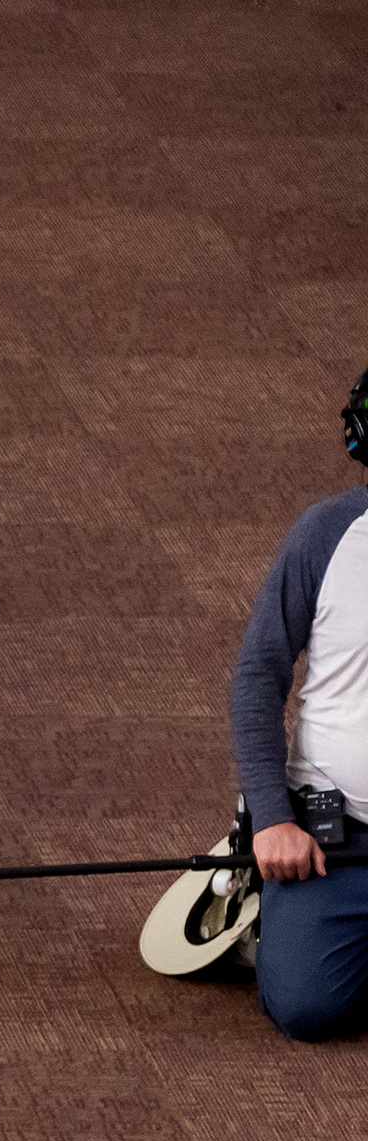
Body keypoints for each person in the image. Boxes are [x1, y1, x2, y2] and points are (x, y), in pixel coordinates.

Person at [217, 366, 368, 1044]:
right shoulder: (325, 535)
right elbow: (257, 677)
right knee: (309, 1008)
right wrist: (275, 820)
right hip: (335, 836)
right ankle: (273, 904)